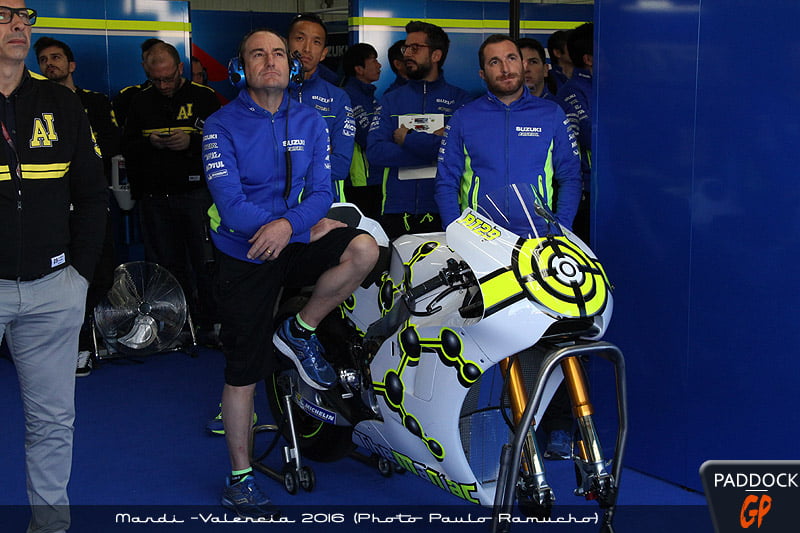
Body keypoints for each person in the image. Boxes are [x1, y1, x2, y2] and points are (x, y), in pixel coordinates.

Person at [202, 28, 378, 518]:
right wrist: (287, 227)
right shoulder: (220, 124)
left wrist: (290, 227)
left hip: (293, 239)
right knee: (243, 371)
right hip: (245, 253)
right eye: (258, 54)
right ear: (241, 68)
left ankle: (300, 330)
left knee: (363, 249)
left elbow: (323, 193)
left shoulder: (310, 120)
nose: (271, 61)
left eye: (278, 53)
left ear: (291, 65)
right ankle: (240, 478)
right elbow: (230, 205)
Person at [0, 3, 108, 531]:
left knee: (52, 423)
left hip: (53, 289)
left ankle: (50, 526)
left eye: (25, 15)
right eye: (4, 15)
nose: (19, 25)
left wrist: (78, 275)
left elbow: (92, 194)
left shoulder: (60, 102)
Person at [121, 41, 221, 343]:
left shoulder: (204, 97)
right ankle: (174, 326)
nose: (163, 85)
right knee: (164, 266)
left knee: (205, 262)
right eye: (156, 80)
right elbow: (124, 147)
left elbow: (222, 143)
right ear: (145, 71)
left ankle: (213, 324)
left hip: (196, 194)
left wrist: (191, 142)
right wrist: (149, 143)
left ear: (180, 68)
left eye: (168, 78)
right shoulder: (139, 102)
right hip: (154, 197)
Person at [34, 35, 120, 376]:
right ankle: (76, 346)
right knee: (55, 279)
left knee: (100, 274)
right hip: (52, 210)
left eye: (56, 57)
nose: (49, 64)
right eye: (43, 60)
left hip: (91, 203)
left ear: (71, 65)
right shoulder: (34, 104)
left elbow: (111, 144)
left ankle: (86, 334)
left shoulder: (94, 102)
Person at [435, 34, 581, 233]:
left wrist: (560, 229)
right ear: (482, 73)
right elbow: (446, 182)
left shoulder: (551, 114)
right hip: (479, 236)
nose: (505, 69)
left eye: (511, 58)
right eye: (494, 62)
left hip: (537, 235)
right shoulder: (464, 118)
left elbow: (570, 177)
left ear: (522, 64)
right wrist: (455, 230)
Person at [366, 20, 470, 239]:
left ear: (436, 55)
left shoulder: (460, 101)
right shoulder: (390, 100)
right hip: (397, 210)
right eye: (406, 48)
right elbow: (375, 152)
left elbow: (461, 151)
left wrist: (409, 139)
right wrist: (435, 147)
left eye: (415, 48)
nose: (407, 54)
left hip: (444, 209)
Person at [287, 12, 355, 202]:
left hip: (324, 206)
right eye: (300, 38)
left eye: (316, 42)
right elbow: (257, 161)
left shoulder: (338, 98)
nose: (307, 48)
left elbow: (341, 166)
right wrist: (319, 153)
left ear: (324, 53)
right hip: (274, 207)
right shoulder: (267, 93)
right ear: (285, 44)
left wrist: (286, 158)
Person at [556, 22, 593, 243]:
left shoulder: (605, 88)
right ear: (589, 59)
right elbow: (590, 136)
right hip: (587, 193)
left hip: (609, 188)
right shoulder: (572, 90)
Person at [342, 42, 382, 219]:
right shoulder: (348, 96)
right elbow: (368, 138)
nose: (379, 65)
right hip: (360, 180)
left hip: (375, 176)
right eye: (373, 60)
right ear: (359, 69)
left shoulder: (370, 96)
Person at [112, 38, 162, 128]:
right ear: (144, 65)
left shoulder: (187, 93)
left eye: (160, 61)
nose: (155, 66)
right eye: (150, 62)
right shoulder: (127, 96)